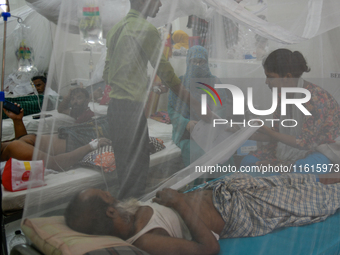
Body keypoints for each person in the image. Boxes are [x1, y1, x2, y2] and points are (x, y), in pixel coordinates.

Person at [65, 172, 340, 255]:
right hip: (244, 209)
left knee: (306, 180)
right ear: (110, 211)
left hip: (230, 190)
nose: (110, 192)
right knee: (321, 199)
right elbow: (208, 248)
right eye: (105, 195)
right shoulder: (146, 240)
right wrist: (179, 202)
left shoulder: (131, 212)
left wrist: (169, 199)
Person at [103, 0, 215, 199]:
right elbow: (167, 74)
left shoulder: (115, 29)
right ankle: (133, 216)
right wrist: (198, 107)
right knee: (137, 169)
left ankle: (127, 210)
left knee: (125, 168)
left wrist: (135, 78)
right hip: (131, 110)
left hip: (115, 109)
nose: (161, 3)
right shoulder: (146, 29)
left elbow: (107, 73)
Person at [241, 49, 340, 171]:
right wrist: (245, 133)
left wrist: (271, 134)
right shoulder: (281, 95)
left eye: (270, 77)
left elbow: (306, 143)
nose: (266, 82)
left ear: (287, 77)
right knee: (248, 162)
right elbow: (276, 134)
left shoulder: (315, 98)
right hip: (289, 147)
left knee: (306, 167)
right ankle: (279, 170)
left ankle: (281, 170)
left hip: (319, 150)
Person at [168, 45, 234, 167]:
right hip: (186, 134)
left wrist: (210, 122)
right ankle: (200, 186)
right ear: (188, 62)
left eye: (201, 62)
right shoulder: (180, 83)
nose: (198, 65)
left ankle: (222, 185)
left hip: (211, 132)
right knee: (200, 154)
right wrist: (186, 123)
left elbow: (221, 107)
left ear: (207, 62)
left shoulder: (215, 82)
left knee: (225, 155)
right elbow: (171, 110)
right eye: (194, 61)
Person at [0, 104, 110, 171]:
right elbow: (55, 163)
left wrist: (17, 121)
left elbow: (23, 143)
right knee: (119, 120)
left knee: (112, 117)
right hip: (77, 141)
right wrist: (90, 146)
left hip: (73, 134)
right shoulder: (13, 148)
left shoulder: (8, 147)